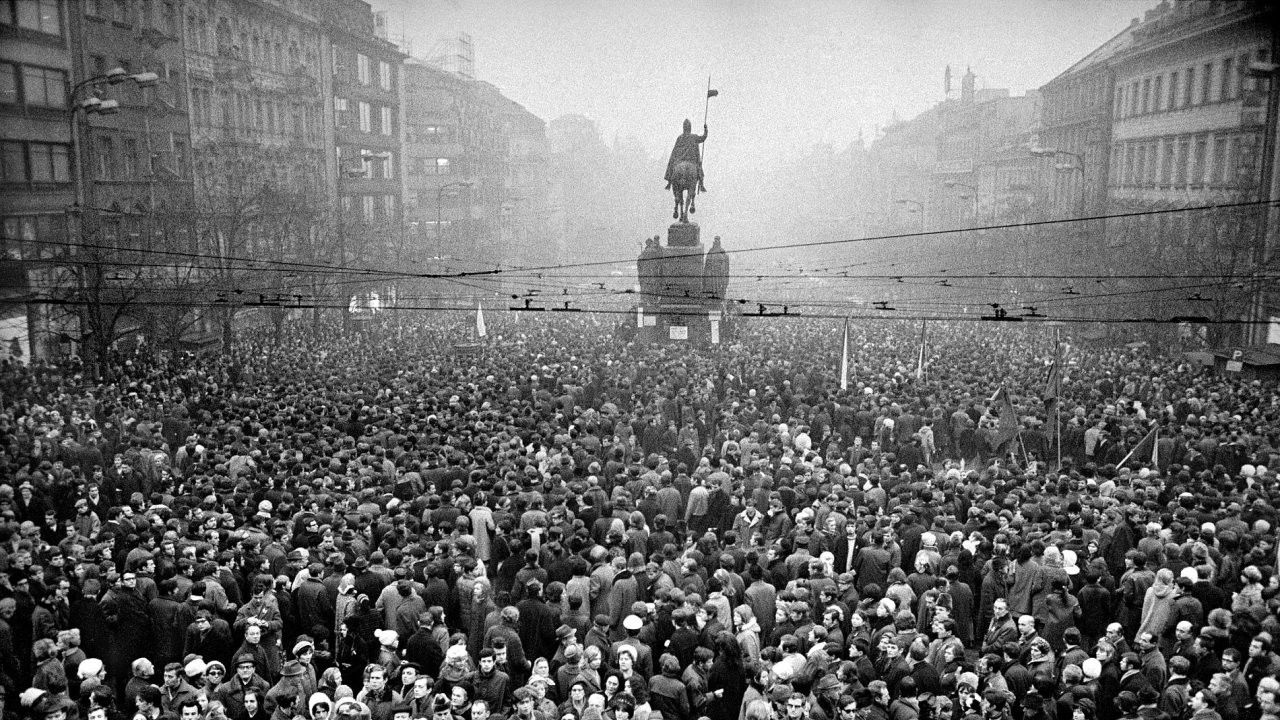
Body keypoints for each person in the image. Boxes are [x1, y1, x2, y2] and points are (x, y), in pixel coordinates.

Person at [664, 119, 708, 193]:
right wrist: (706, 130)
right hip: (692, 161)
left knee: (671, 163)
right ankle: (701, 184)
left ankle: (669, 182)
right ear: (690, 127)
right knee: (699, 169)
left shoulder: (680, 138)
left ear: (683, 127)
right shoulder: (694, 137)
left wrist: (674, 159)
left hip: (680, 161)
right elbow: (703, 138)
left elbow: (674, 151)